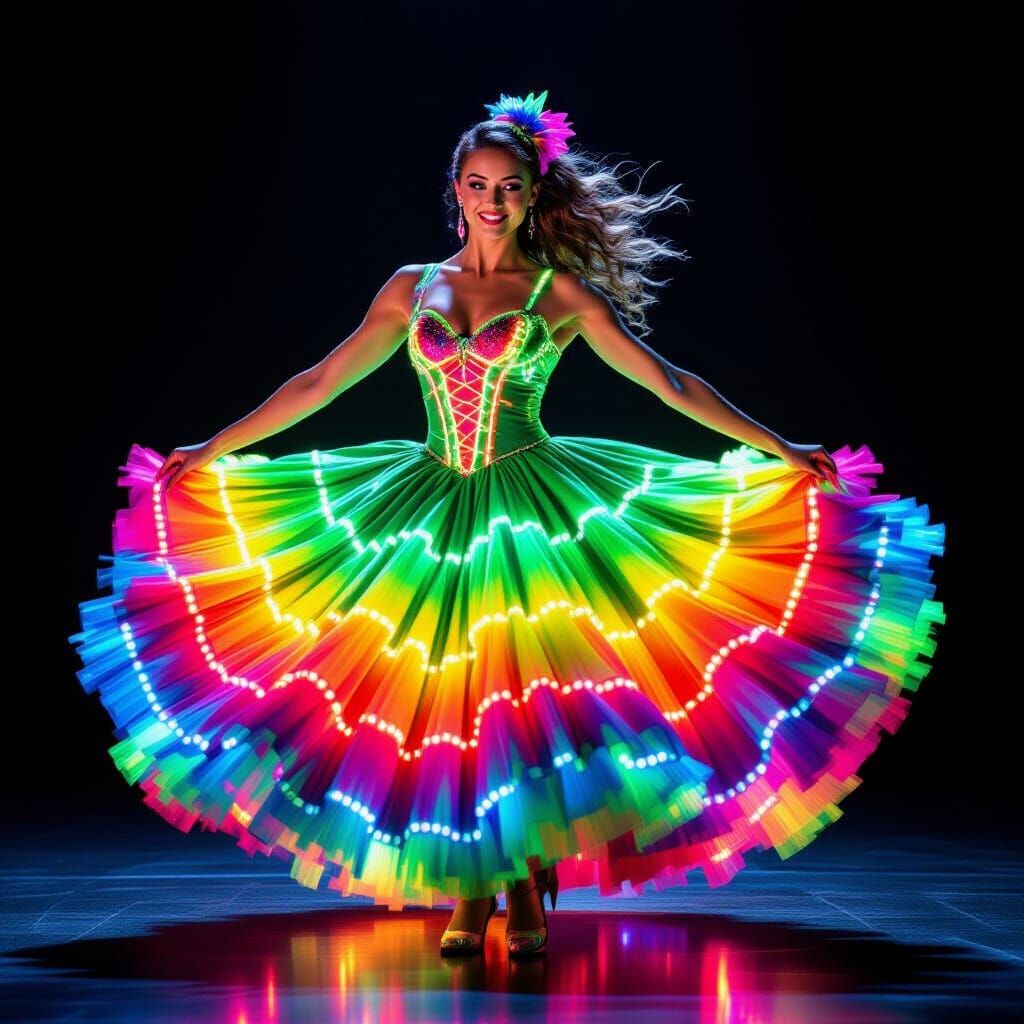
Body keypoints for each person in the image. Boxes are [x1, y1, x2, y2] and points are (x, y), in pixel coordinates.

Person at [69, 90, 946, 959]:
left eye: (510, 187)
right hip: (425, 499)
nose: (493, 201)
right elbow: (319, 382)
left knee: (518, 699)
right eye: (478, 184)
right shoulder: (413, 287)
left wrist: (779, 445)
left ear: (533, 193)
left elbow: (669, 383)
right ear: (455, 187)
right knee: (441, 699)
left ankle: (521, 883)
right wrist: (216, 444)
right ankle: (472, 888)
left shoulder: (558, 291)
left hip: (530, 505)